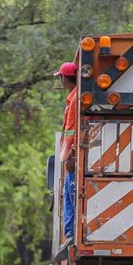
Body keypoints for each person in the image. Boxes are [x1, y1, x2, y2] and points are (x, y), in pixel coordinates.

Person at [56, 61, 79, 242]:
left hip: (73, 154)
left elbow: (71, 129)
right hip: (76, 153)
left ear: (65, 78)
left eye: (60, 77)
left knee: (69, 195)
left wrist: (67, 155)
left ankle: (70, 233)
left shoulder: (74, 99)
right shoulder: (75, 97)